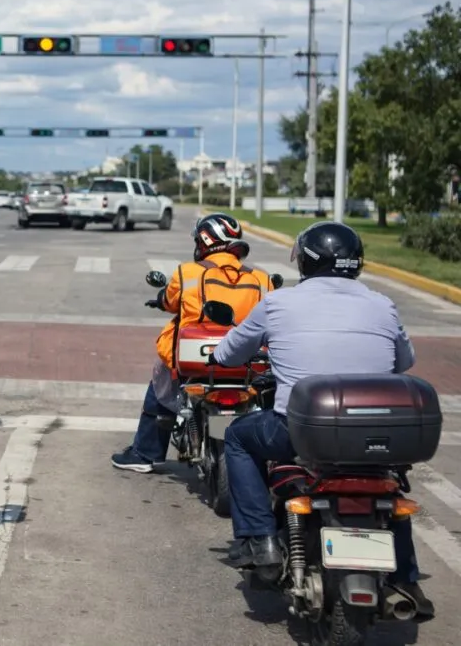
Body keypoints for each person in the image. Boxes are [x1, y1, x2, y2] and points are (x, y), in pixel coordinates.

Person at [213, 221, 434, 620]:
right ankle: (406, 577)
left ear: (306, 262)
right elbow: (404, 362)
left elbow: (229, 353)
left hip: (300, 434)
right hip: (378, 433)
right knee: (390, 484)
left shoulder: (278, 303)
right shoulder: (382, 303)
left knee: (238, 437)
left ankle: (259, 540)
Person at [111, 213, 275, 472]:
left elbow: (169, 302)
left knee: (160, 381)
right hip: (247, 361)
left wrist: (161, 298)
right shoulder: (262, 279)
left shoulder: (187, 272)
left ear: (205, 241)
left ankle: (145, 454)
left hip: (196, 358)